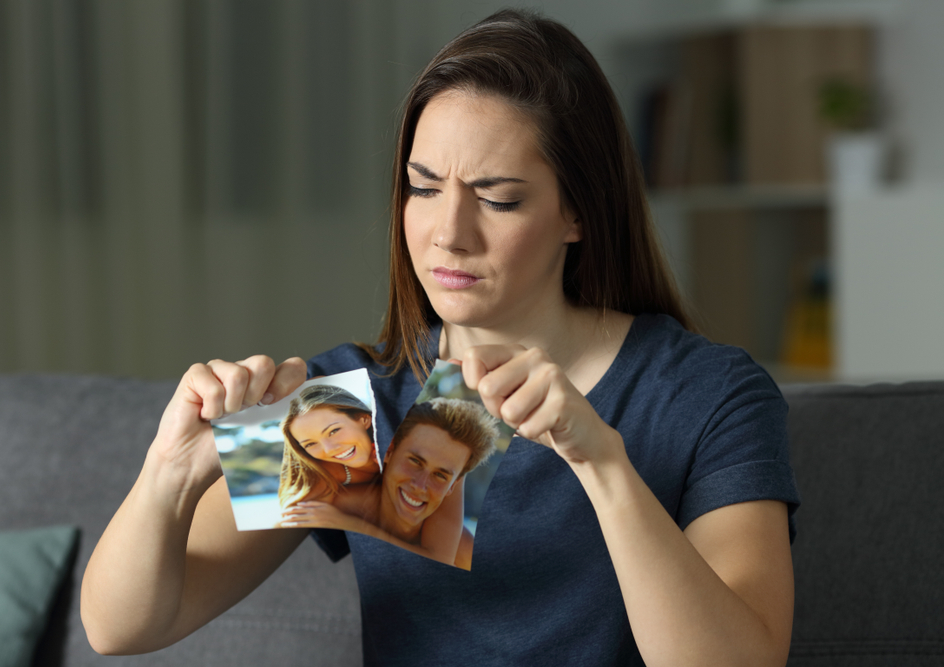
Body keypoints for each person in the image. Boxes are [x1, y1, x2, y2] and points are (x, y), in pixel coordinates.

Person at [81, 8, 800, 666]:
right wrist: (167, 477)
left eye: (497, 198)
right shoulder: (360, 407)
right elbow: (121, 627)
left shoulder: (704, 394)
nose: (447, 234)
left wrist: (602, 462)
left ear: (577, 212)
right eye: (423, 188)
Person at [278, 397, 498, 569]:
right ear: (389, 451)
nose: (420, 485)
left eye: (441, 475)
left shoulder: (461, 545)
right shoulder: (335, 496)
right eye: (414, 461)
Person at [278, 384, 381, 506]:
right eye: (310, 444)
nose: (329, 449)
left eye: (333, 431)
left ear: (364, 419)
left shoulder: (399, 440)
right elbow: (295, 514)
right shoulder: (325, 471)